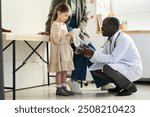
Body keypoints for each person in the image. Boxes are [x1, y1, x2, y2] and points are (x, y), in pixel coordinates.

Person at [40, 0, 110, 94]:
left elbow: (84, 17)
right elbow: (52, 13)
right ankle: (74, 80)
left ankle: (102, 81)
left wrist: (79, 29)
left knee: (90, 49)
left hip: (78, 28)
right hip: (64, 26)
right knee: (82, 47)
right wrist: (49, 30)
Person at [78, 17, 143, 96]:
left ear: (114, 27)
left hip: (131, 68)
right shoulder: (110, 39)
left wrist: (93, 53)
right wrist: (89, 55)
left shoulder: (124, 38)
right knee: (95, 69)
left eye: (104, 26)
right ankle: (119, 85)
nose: (101, 28)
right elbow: (103, 58)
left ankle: (129, 87)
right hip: (120, 65)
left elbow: (113, 59)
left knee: (107, 68)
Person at [49, 3, 74, 96]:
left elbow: (66, 39)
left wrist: (71, 36)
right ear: (59, 13)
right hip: (58, 52)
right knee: (59, 70)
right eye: (66, 15)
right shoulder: (55, 24)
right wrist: (67, 35)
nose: (67, 17)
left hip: (65, 51)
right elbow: (56, 38)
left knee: (65, 70)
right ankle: (59, 88)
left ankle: (64, 86)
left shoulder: (63, 25)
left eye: (68, 16)